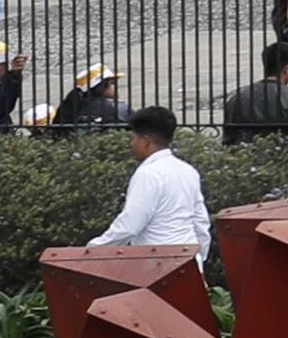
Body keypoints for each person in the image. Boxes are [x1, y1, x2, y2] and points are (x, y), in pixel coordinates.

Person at [90, 104, 210, 265]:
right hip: (189, 260)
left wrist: (92, 250)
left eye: (134, 138)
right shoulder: (188, 171)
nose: (131, 144)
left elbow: (130, 226)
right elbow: (200, 222)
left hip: (157, 265)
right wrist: (200, 258)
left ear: (146, 141)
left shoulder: (148, 174)